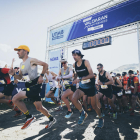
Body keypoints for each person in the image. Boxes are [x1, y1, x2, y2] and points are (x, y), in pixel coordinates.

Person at [9, 45, 56, 129]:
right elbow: (20, 77)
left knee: (15, 98)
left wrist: (41, 76)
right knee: (39, 107)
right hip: (29, 85)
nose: (17, 52)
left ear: (25, 51)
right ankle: (52, 119)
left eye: (19, 50)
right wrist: (13, 74)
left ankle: (29, 116)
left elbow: (45, 64)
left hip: (35, 85)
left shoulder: (31, 60)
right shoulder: (21, 63)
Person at [72, 49, 104, 128]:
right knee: (73, 99)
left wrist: (79, 79)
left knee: (94, 106)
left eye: (75, 55)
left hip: (90, 87)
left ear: (79, 56)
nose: (73, 57)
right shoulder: (74, 64)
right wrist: (74, 79)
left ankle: (100, 118)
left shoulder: (85, 62)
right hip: (82, 86)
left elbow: (92, 75)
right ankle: (83, 113)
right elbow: (76, 73)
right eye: (73, 55)